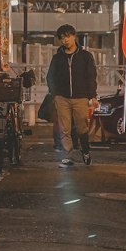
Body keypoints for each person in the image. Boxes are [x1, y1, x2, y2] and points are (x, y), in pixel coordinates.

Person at [45, 24, 97, 167]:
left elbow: (91, 76)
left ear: (74, 36)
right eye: (62, 38)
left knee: (82, 127)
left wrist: (92, 96)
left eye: (68, 36)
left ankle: (85, 150)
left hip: (81, 97)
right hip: (62, 97)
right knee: (64, 128)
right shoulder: (57, 58)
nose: (65, 40)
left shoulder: (85, 56)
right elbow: (50, 76)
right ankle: (68, 156)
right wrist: (55, 94)